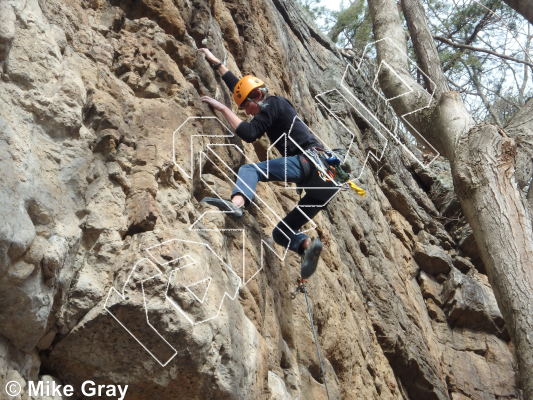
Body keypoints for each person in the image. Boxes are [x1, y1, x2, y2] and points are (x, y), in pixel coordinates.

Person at [198, 48, 339, 279]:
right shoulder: (269, 104)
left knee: (248, 169)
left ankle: (237, 203)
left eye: (245, 107)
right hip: (327, 186)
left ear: (257, 98)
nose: (246, 112)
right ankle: (306, 247)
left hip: (310, 162)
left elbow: (250, 132)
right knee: (281, 233)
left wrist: (223, 108)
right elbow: (239, 87)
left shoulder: (272, 104)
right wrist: (217, 64)